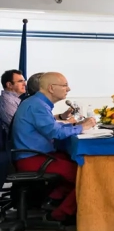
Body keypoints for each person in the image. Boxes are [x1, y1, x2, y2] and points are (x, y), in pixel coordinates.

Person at [13, 72, 97, 223]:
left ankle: (54, 200)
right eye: (64, 85)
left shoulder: (37, 103)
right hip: (32, 158)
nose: (68, 89)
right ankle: (60, 214)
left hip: (36, 155)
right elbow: (55, 133)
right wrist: (82, 127)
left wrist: (74, 125)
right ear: (51, 88)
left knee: (78, 164)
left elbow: (49, 126)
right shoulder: (37, 106)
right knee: (87, 176)